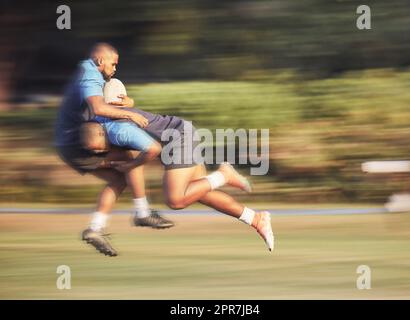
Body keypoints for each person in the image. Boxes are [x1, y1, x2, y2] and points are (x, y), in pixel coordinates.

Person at [89, 77, 275, 253]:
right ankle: (255, 219)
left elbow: (152, 150)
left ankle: (224, 175)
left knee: (176, 200)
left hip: (178, 138)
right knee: (200, 193)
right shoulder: (114, 118)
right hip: (181, 132)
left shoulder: (118, 125)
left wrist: (130, 166)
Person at [54, 43, 174, 257]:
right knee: (131, 158)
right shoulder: (90, 73)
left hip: (67, 145)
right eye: (113, 63)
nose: (115, 68)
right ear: (100, 60)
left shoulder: (87, 72)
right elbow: (99, 108)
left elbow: (101, 104)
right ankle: (142, 212)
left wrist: (128, 103)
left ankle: (95, 229)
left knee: (119, 179)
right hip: (78, 142)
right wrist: (131, 114)